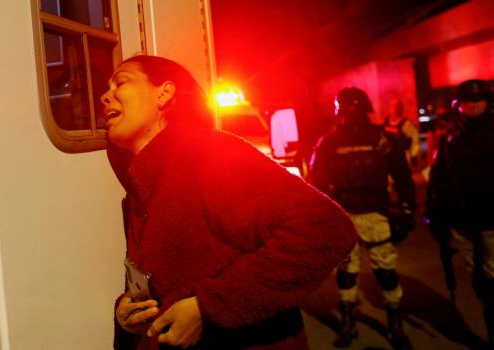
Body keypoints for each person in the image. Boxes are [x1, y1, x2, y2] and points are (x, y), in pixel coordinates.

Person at [100, 55, 358, 349]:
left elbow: (326, 228)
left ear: (164, 93)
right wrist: (127, 312)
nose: (105, 95)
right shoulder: (138, 189)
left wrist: (208, 308)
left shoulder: (208, 153)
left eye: (120, 82)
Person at [309, 87, 416, 350]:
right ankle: (349, 322)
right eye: (346, 112)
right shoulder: (328, 143)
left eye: (353, 112)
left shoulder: (382, 139)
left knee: (385, 271)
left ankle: (394, 322)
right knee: (347, 272)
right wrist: (321, 217)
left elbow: (402, 174)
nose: (350, 117)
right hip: (344, 215)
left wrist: (406, 207)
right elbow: (317, 181)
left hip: (375, 213)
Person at [426, 79, 494, 347]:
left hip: (491, 221)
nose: (474, 105)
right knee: (479, 281)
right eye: (467, 100)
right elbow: (438, 179)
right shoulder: (450, 138)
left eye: (478, 100)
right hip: (462, 221)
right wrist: (434, 212)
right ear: (459, 105)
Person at [383, 98, 421, 168]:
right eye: (392, 105)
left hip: (402, 157)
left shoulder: (406, 124)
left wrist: (413, 154)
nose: (394, 108)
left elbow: (415, 139)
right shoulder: (386, 122)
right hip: (389, 156)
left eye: (396, 106)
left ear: (400, 108)